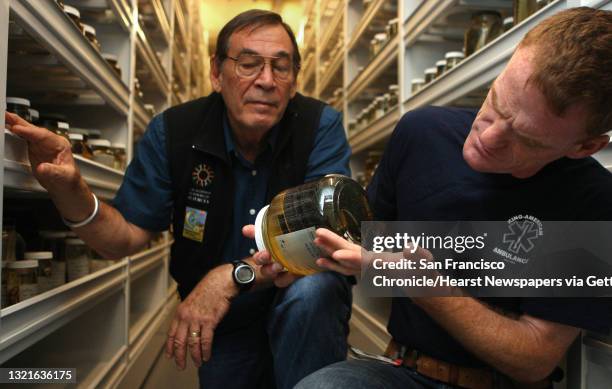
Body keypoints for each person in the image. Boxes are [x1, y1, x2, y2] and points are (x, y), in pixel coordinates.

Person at [5, 9, 353, 389]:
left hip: (301, 309)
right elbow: (123, 238)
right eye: (249, 64)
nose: (266, 81)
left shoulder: (320, 125)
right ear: (216, 74)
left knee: (314, 288)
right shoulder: (173, 132)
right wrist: (69, 188)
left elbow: (324, 237)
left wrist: (234, 275)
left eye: (281, 68)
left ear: (294, 80)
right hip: (224, 322)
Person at [291, 7, 612, 389]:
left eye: (526, 140)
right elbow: (363, 242)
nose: (486, 139)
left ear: (585, 146)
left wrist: (428, 288)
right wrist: (285, 253)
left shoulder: (594, 200)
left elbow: (534, 359)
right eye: (496, 103)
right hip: (404, 372)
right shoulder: (421, 132)